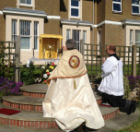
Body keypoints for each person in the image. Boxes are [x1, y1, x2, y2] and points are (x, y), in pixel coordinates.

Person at [42, 39, 104, 132]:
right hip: (79, 83)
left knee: (65, 100)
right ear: (75, 46)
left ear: (66, 46)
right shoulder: (79, 55)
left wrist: (51, 76)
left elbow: (59, 70)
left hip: (66, 84)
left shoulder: (65, 56)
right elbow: (83, 69)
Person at [98, 45, 136, 114]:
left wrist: (103, 63)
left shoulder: (110, 60)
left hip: (112, 83)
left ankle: (130, 104)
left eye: (106, 50)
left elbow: (106, 70)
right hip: (117, 84)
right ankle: (130, 105)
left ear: (110, 50)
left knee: (114, 102)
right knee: (117, 100)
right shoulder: (119, 59)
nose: (106, 51)